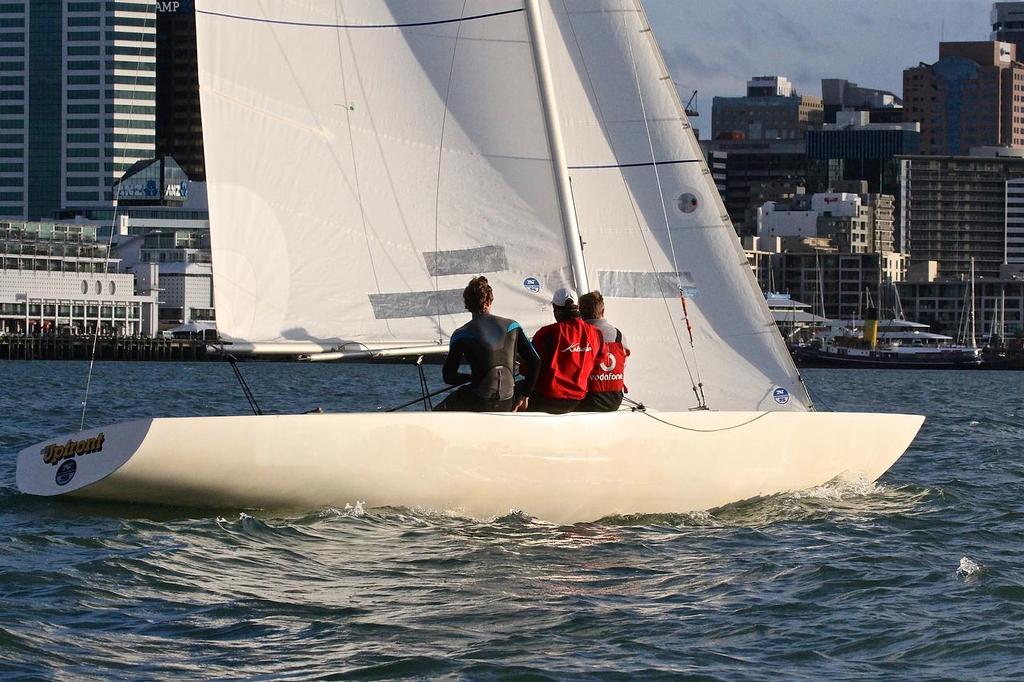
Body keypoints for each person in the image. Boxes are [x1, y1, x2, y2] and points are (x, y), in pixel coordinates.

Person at [435, 276, 539, 412]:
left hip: (478, 402)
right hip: (507, 403)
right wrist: (525, 395)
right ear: (490, 300)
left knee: (440, 408)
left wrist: (471, 378)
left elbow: (449, 377)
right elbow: (536, 362)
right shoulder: (513, 326)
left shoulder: (460, 334)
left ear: (467, 304)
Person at [528, 287, 603, 414]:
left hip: (548, 398)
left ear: (555, 309)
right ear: (577, 307)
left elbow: (529, 367)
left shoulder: (546, 333)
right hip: (579, 399)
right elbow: (599, 363)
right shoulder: (596, 333)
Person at [578, 291, 629, 412]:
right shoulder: (619, 336)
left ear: (580, 311)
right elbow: (623, 364)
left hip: (587, 400)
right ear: (603, 310)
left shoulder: (577, 334)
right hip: (614, 400)